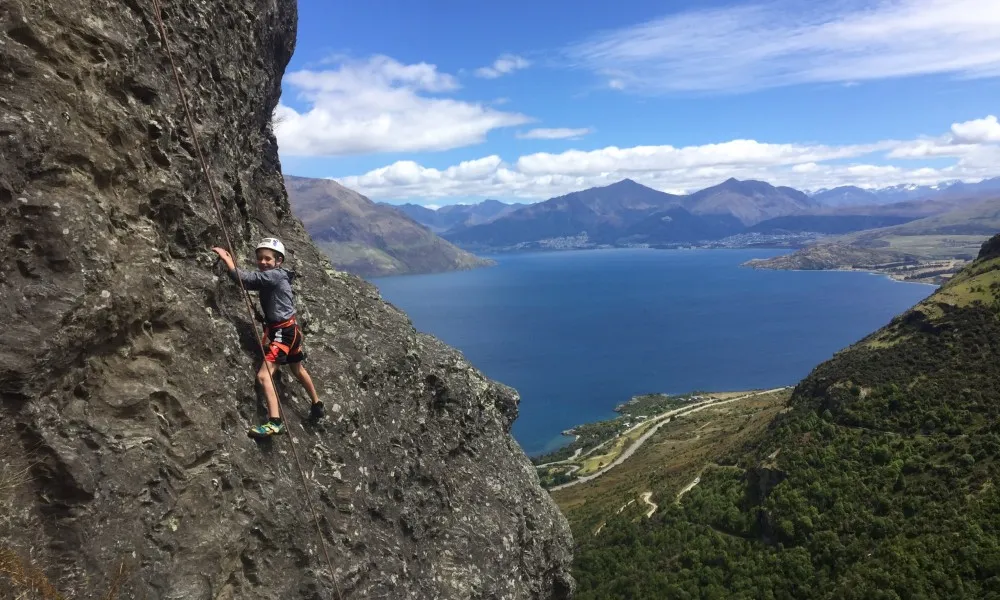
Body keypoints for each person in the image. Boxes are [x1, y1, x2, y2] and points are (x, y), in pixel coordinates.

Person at [211, 237, 324, 438]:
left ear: (278, 261)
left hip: (283, 333)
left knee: (264, 376)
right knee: (298, 369)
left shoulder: (273, 276)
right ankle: (317, 403)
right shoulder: (278, 276)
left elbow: (244, 280)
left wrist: (228, 260)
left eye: (268, 259)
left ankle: (274, 423)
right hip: (291, 331)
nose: (263, 262)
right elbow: (252, 283)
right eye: (260, 258)